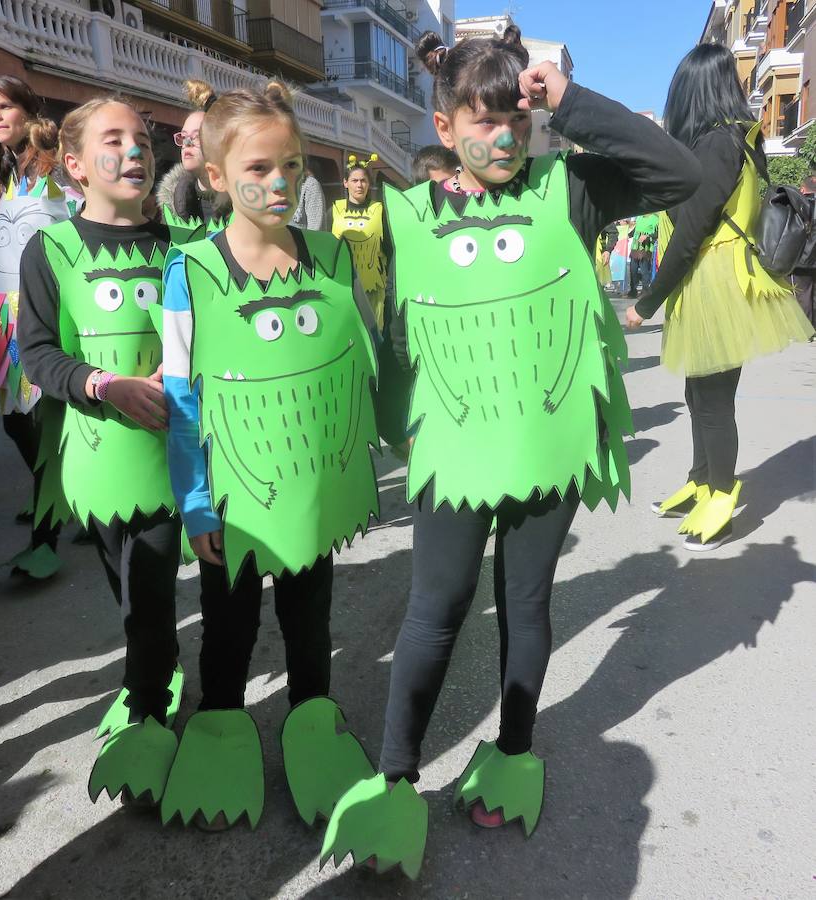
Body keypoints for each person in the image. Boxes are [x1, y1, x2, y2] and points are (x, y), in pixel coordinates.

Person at [322, 26, 700, 877]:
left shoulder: (569, 189)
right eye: (480, 120)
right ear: (444, 123)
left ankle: (515, 753)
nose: (502, 137)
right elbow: (388, 334)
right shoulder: (404, 210)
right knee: (435, 611)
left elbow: (678, 174)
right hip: (454, 455)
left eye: (515, 121)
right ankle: (395, 780)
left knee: (525, 605)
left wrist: (569, 103)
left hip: (546, 453)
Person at [162, 84, 380, 831]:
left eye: (292, 165)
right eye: (258, 167)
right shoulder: (188, 270)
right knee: (228, 626)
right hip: (235, 497)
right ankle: (220, 730)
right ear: (216, 176)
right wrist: (195, 503)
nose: (280, 182)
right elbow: (182, 396)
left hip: (312, 492)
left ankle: (313, 728)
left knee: (310, 617)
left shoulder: (332, 258)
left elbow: (362, 361)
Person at [19, 96, 187, 806]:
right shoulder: (49, 250)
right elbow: (37, 355)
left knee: (149, 588)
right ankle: (158, 667)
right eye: (113, 140)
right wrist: (103, 384)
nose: (135, 151)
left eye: (143, 139)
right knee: (127, 582)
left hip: (174, 458)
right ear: (76, 165)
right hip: (95, 459)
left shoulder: (182, 247)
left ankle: (148, 709)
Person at [626, 44, 815, 550]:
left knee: (711, 399)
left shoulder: (717, 143)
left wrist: (646, 303)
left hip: (715, 280)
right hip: (721, 278)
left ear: (691, 91)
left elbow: (691, 233)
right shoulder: (741, 138)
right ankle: (701, 480)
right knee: (701, 393)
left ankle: (721, 498)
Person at [0, 75, 76, 577]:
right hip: (1, 315)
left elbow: (75, 215)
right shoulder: (2, 169)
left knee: (43, 416)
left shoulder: (48, 162)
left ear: (27, 109)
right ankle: (56, 494)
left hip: (39, 308)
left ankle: (47, 534)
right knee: (15, 419)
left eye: (4, 106)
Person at [157, 80, 231, 230]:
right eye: (183, 137)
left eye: (196, 136)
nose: (187, 143)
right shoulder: (172, 204)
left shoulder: (244, 200)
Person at [331, 154, 388, 328]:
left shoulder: (380, 211)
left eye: (363, 180)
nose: (359, 185)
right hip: (343, 284)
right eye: (354, 180)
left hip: (374, 288)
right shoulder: (334, 210)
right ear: (345, 183)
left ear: (369, 184)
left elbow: (390, 250)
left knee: (374, 332)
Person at [792, 175, 816, 336]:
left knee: (802, 294)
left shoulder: (799, 204)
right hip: (811, 258)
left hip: (804, 258)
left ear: (802, 189)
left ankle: (805, 331)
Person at [626, 212, 658, 298]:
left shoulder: (655, 219)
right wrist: (628, 235)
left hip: (645, 248)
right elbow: (636, 229)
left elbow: (657, 233)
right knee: (633, 270)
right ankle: (633, 291)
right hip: (635, 247)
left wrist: (647, 236)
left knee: (644, 271)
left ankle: (645, 291)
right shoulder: (639, 217)